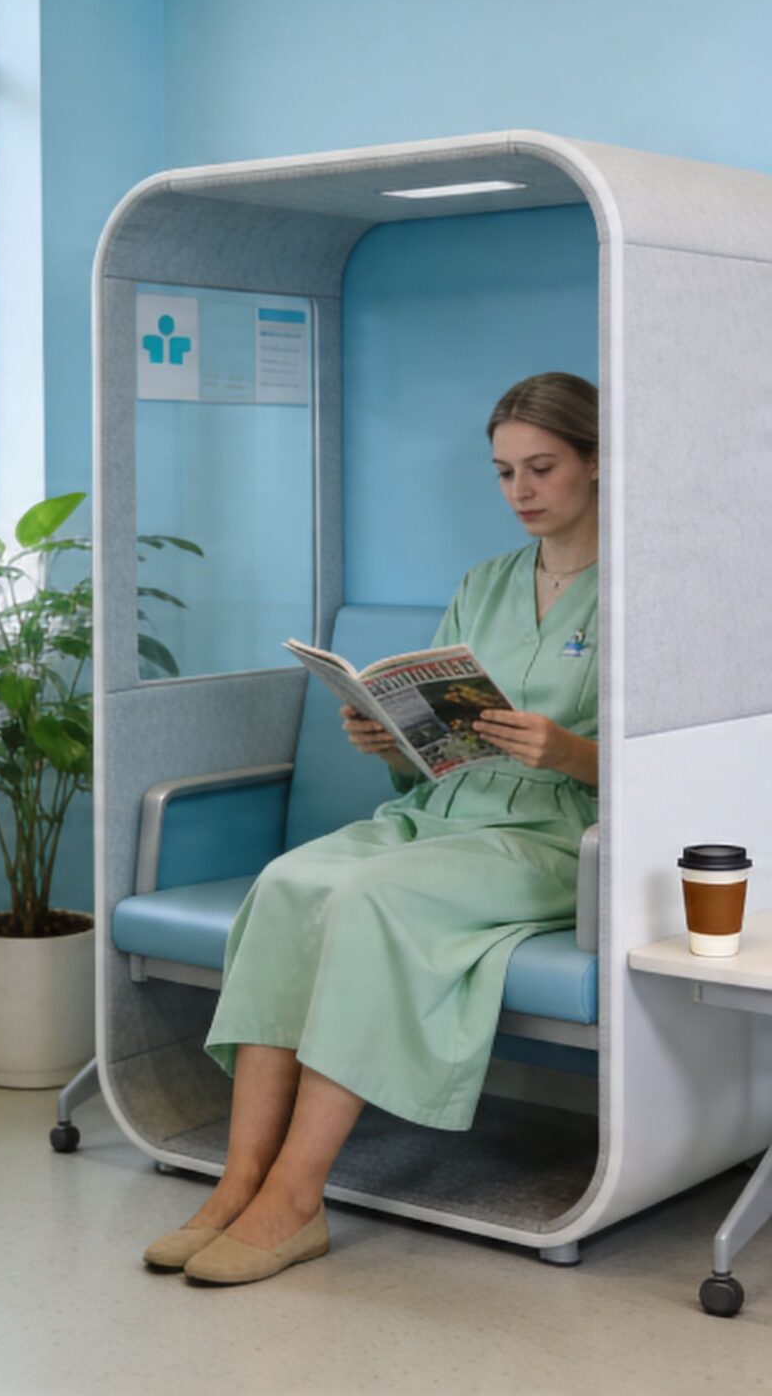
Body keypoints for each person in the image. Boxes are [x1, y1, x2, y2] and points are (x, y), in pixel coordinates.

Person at [149, 372, 603, 1287]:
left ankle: (295, 1199)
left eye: (542, 467)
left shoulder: (650, 591)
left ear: (598, 462)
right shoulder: (485, 583)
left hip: (559, 841)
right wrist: (388, 739)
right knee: (286, 885)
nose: (520, 490)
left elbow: (681, 769)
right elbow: (440, 748)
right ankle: (238, 1182)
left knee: (364, 900)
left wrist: (568, 752)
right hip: (442, 813)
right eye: (504, 472)